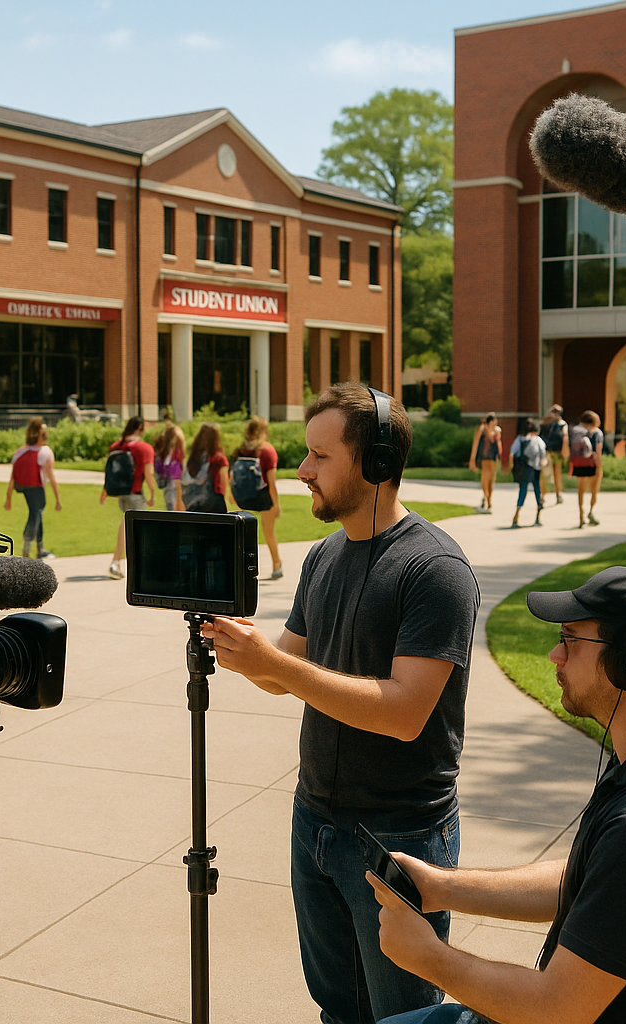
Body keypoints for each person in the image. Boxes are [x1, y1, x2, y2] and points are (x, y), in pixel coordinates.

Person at [200, 383, 480, 1024]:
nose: (301, 471)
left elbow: (406, 713)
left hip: (398, 835)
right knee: (337, 1011)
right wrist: (246, 653)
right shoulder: (322, 558)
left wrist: (280, 666)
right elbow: (284, 674)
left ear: (376, 462)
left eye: (320, 457)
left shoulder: (434, 568)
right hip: (314, 824)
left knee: (404, 1017)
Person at [371, 566, 626, 1024]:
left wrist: (427, 957)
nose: (554, 655)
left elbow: (557, 1009)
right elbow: (591, 880)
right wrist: (440, 886)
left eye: (570, 639)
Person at [100, 416, 155, 579]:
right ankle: (117, 562)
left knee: (131, 525)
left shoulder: (116, 446)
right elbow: (148, 473)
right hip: (135, 492)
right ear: (141, 428)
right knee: (134, 526)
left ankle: (125, 563)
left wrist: (104, 491)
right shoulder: (144, 448)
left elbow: (110, 471)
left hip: (120, 493)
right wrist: (152, 493)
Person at [3, 417, 61, 558]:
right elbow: (51, 477)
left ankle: (40, 547)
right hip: (36, 486)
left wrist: (8, 497)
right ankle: (27, 545)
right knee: (36, 514)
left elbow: (12, 476)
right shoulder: (45, 452)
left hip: (22, 486)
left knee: (36, 512)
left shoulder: (20, 451)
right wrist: (58, 498)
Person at [235, 417, 285, 578]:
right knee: (269, 532)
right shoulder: (267, 451)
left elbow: (232, 475)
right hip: (263, 496)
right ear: (263, 431)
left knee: (241, 533)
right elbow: (271, 482)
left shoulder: (242, 449)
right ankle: (276, 564)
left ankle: (241, 567)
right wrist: (276, 504)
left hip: (242, 496)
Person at [181, 421, 230, 513]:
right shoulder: (219, 459)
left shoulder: (193, 458)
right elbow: (223, 482)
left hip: (193, 503)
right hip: (214, 503)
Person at [568, 411, 604, 529]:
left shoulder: (575, 431)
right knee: (594, 490)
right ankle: (591, 511)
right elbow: (598, 451)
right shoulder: (597, 433)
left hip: (579, 463)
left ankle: (581, 516)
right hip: (592, 464)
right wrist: (599, 467)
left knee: (580, 491)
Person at [508, 419, 546, 528]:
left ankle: (516, 516)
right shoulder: (538, 440)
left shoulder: (519, 440)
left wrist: (512, 467)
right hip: (536, 469)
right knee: (537, 491)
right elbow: (543, 454)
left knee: (522, 491)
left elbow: (512, 453)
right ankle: (538, 517)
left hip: (523, 469)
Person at [467, 415, 502, 514]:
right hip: (484, 459)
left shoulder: (497, 431)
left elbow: (499, 446)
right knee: (484, 481)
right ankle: (487, 500)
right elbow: (475, 445)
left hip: (493, 460)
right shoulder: (482, 431)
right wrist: (472, 460)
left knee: (491, 482)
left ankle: (488, 501)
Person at [152, 420, 186, 511]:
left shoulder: (164, 453)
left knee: (172, 504)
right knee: (175, 505)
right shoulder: (172, 452)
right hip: (175, 479)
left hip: (170, 480)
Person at [540, 404, 569, 505]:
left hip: (557, 452)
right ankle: (543, 495)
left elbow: (565, 438)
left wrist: (564, 452)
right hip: (547, 452)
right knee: (545, 475)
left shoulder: (562, 424)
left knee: (557, 475)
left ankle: (558, 494)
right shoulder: (548, 423)